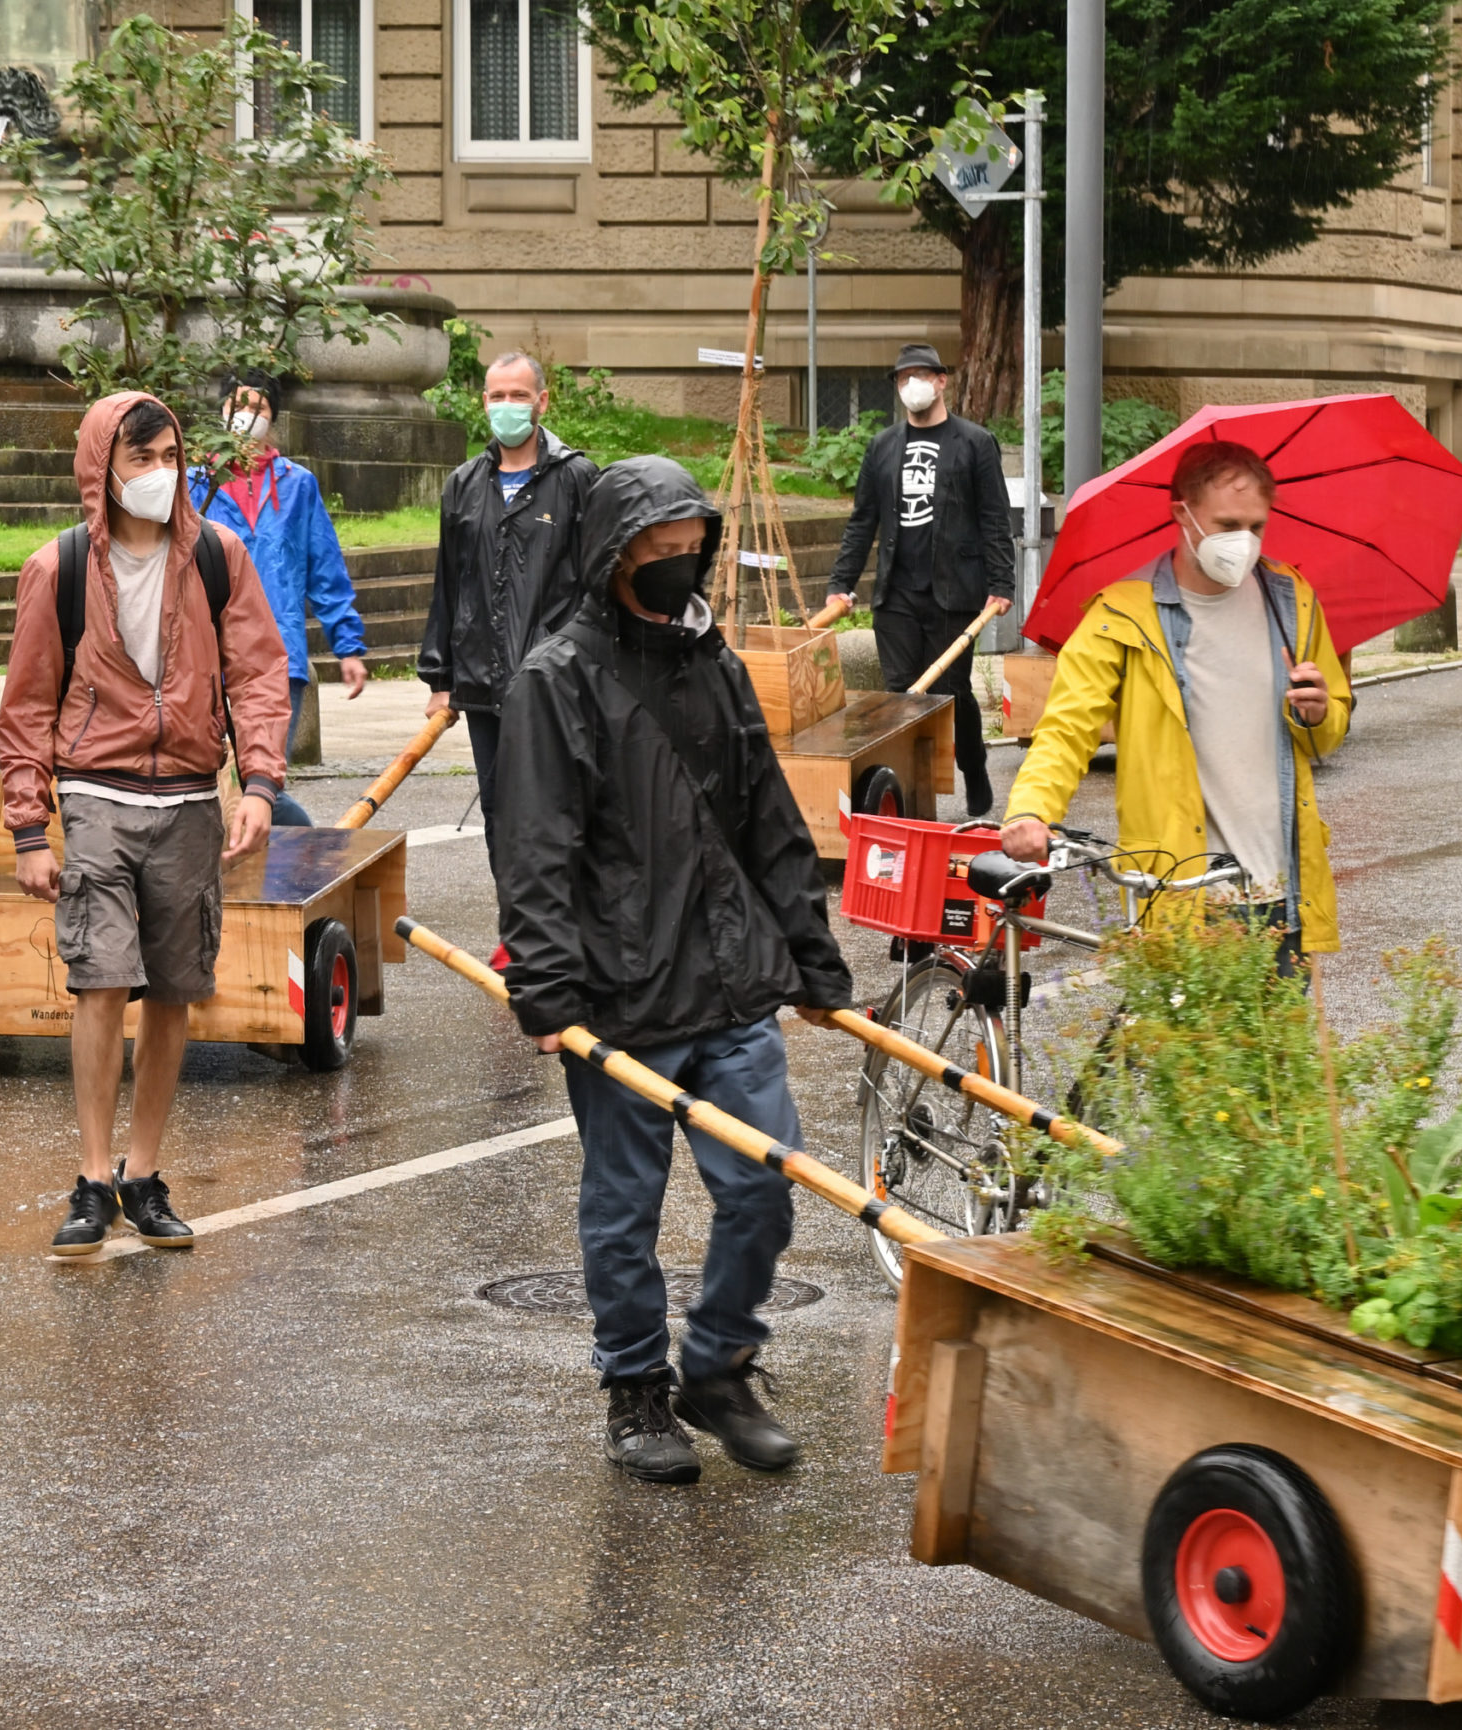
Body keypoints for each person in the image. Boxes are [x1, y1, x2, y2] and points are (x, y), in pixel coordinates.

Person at [490, 456, 854, 1485]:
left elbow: (770, 820)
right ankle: (636, 1385)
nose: (675, 563)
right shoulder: (557, 678)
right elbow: (538, 849)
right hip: (619, 990)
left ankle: (721, 1361)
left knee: (766, 1183)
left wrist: (812, 958)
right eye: (653, 548)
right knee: (623, 1207)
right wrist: (548, 991)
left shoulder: (714, 660)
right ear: (610, 555)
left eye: (688, 545)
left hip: (732, 975)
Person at [0, 391, 292, 1254]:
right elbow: (25, 707)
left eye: (171, 457)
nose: (161, 474)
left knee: (173, 991)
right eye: (142, 459)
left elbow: (259, 675)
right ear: (102, 469)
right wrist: (26, 827)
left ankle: (143, 1173)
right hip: (97, 796)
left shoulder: (216, 556)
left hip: (193, 800)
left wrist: (261, 785)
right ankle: (92, 1177)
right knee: (97, 981)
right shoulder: (58, 569)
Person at [998, 441, 1353, 972]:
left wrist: (1321, 713)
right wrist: (1031, 810)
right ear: (1181, 514)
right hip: (1183, 891)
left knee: (1280, 1056)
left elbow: (1325, 734)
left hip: (1282, 893)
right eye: (1228, 523)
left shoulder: (1292, 600)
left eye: (1256, 527)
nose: (1244, 542)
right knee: (1179, 1055)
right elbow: (1066, 730)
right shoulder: (1120, 616)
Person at [418, 351, 599, 889]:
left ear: (542, 401)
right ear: (484, 403)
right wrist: (440, 679)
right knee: (500, 812)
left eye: (519, 395)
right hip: (481, 682)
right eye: (497, 396)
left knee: (559, 809)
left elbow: (597, 582)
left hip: (554, 684)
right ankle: (520, 929)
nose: (507, 406)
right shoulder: (464, 484)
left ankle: (571, 926)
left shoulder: (577, 478)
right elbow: (447, 584)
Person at [825, 342, 1016, 816]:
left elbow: (994, 517)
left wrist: (1002, 583)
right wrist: (841, 582)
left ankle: (973, 765)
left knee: (954, 693)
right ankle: (910, 802)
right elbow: (862, 521)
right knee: (900, 698)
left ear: (941, 380)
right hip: (897, 596)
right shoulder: (882, 447)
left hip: (956, 594)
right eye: (903, 376)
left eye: (921, 374)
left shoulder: (974, 443)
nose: (912, 384)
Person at [188, 369, 367, 826]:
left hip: (277, 655)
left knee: (260, 781)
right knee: (208, 783)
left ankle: (308, 857)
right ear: (222, 410)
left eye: (259, 408)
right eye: (239, 405)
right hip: (202, 653)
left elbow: (324, 568)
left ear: (274, 418)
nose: (247, 416)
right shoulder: (192, 483)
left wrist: (347, 645)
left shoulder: (297, 484)